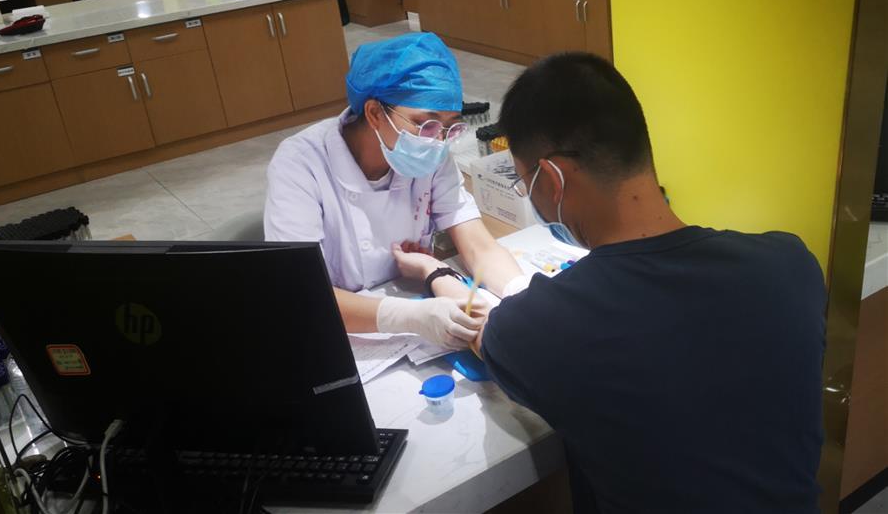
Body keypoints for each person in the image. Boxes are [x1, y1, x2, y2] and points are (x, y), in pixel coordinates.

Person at [467, 53, 825, 512]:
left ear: (553, 179)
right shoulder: (791, 265)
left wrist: (438, 279)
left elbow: (487, 335)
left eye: (525, 183)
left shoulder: (539, 326)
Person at [264, 32, 523, 349]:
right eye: (425, 123)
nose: (438, 139)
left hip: (410, 301)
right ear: (374, 113)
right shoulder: (301, 164)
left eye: (450, 126)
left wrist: (522, 293)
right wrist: (408, 316)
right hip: (333, 327)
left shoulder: (432, 151)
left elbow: (478, 245)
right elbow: (302, 292)